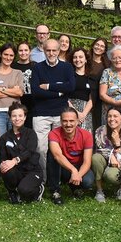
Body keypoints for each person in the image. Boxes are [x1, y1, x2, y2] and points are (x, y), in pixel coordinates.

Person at [31, 39, 76, 179]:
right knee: (41, 149)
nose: (51, 53)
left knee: (60, 149)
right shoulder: (37, 68)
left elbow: (70, 87)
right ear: (44, 51)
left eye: (54, 50)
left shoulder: (67, 67)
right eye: (48, 50)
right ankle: (42, 179)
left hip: (60, 114)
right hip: (41, 114)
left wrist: (49, 86)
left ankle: (58, 180)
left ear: (59, 51)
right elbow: (36, 91)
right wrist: (59, 92)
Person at [0, 102, 43, 203]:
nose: (17, 118)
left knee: (24, 190)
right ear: (10, 117)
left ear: (25, 117)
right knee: (5, 168)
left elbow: (29, 152)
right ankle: (12, 192)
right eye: (14, 116)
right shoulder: (4, 138)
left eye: (20, 115)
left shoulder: (31, 133)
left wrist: (15, 160)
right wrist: (3, 165)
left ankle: (38, 189)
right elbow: (3, 157)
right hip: (16, 171)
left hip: (32, 170)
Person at [92, 106, 121, 201]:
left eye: (115, 116)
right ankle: (99, 190)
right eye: (109, 116)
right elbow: (99, 150)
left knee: (110, 175)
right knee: (96, 157)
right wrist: (111, 156)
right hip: (108, 161)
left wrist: (117, 144)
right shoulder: (100, 131)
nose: (112, 119)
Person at [48, 108, 94, 204]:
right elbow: (57, 155)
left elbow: (87, 161)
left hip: (79, 167)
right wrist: (73, 170)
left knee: (87, 182)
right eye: (65, 121)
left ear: (77, 121)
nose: (68, 124)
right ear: (60, 121)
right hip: (62, 167)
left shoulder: (86, 135)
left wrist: (78, 175)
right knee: (52, 155)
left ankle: (75, 188)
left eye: (71, 121)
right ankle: (55, 191)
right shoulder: (54, 133)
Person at [0, 44, 25, 133]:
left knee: (16, 140)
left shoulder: (18, 73)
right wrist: (12, 90)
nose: (8, 58)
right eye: (6, 54)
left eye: (11, 55)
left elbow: (20, 93)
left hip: (16, 113)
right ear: (0, 54)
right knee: (0, 140)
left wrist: (1, 89)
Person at [70, 48, 96, 131]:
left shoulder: (92, 77)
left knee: (85, 136)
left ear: (86, 60)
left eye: (80, 57)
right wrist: (75, 113)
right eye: (75, 57)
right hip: (69, 110)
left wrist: (83, 114)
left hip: (86, 112)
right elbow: (64, 96)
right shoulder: (68, 76)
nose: (78, 60)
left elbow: (92, 98)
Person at [88, 38, 109, 125]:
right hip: (86, 95)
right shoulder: (85, 60)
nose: (99, 47)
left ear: (105, 50)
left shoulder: (107, 64)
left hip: (99, 99)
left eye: (102, 46)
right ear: (93, 45)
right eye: (97, 44)